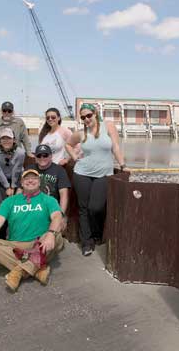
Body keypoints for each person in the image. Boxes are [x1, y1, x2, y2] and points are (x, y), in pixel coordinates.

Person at [0, 169, 64, 292]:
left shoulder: (49, 200)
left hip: (39, 243)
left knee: (57, 235)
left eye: (34, 178)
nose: (30, 181)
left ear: (39, 182)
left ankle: (19, 271)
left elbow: (57, 216)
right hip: (15, 245)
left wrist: (50, 234)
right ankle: (37, 268)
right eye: (27, 179)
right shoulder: (10, 201)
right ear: (22, 183)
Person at [66, 103, 126, 256]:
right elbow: (68, 144)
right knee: (84, 208)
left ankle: (97, 232)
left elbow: (116, 148)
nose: (86, 119)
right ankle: (87, 242)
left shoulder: (109, 126)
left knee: (96, 207)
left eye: (89, 115)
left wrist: (123, 165)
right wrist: (74, 157)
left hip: (104, 174)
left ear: (95, 113)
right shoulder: (81, 133)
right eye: (83, 117)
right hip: (82, 173)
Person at [26, 144, 70, 229]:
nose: (42, 158)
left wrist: (61, 214)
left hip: (51, 208)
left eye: (45, 155)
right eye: (39, 155)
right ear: (35, 157)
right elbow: (20, 190)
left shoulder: (59, 170)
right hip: (31, 206)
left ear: (51, 156)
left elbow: (64, 195)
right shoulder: (29, 169)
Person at [0, 127, 25, 197]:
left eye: (9, 138)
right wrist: (7, 187)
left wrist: (13, 186)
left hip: (17, 177)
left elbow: (17, 170)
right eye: (3, 138)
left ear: (14, 140)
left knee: (18, 196)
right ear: (0, 140)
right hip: (1, 177)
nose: (6, 141)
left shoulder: (20, 153)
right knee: (2, 196)